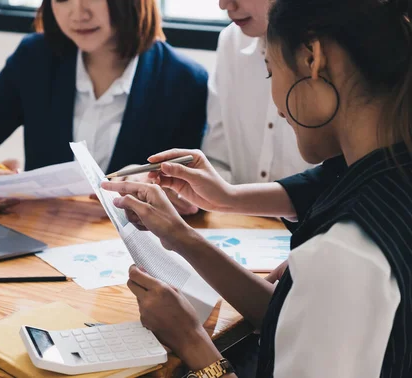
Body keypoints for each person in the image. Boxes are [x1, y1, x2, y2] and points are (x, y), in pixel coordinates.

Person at [102, 0, 412, 376]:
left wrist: (190, 341)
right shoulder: (387, 186)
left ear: (312, 59)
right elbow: (298, 318)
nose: (277, 106)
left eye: (270, 71)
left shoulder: (345, 252)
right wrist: (180, 237)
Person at [0, 0, 207, 214]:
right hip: (41, 240)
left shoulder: (184, 80)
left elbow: (196, 198)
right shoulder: (35, 58)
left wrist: (162, 188)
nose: (78, 13)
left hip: (131, 258)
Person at [204, 0, 313, 183]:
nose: (224, 5)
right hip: (235, 211)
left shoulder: (337, 52)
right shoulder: (230, 42)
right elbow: (217, 160)